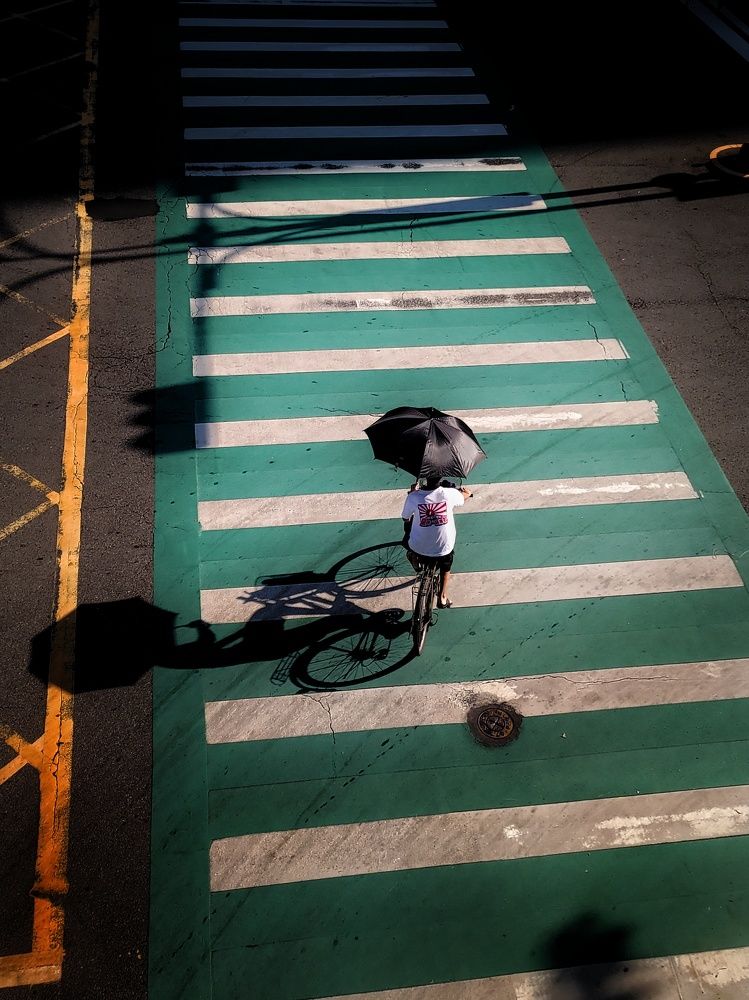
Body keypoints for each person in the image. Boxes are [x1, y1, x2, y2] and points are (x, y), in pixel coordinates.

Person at [401, 476, 473, 609]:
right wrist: (467, 493)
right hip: (442, 548)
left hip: (418, 547)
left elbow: (405, 518)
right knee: (446, 565)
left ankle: (415, 561)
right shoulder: (449, 494)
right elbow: (462, 497)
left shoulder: (414, 497)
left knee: (410, 538)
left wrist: (412, 494)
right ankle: (442, 597)